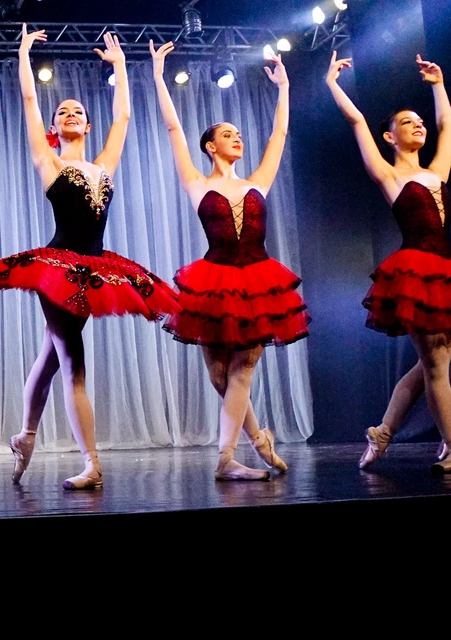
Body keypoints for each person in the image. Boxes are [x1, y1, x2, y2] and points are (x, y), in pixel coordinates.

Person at [0, 26, 180, 490]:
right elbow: (27, 102)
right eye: (63, 111)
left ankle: (24, 436)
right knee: (72, 358)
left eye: (78, 110)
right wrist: (21, 52)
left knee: (49, 359)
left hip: (98, 269)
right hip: (58, 269)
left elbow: (122, 119)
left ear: (88, 123)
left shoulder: (104, 165)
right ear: (55, 128)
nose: (71, 114)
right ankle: (92, 463)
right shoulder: (50, 162)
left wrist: (120, 68)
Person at [149, 41, 309, 481]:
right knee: (221, 375)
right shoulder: (197, 183)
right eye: (227, 134)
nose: (237, 137)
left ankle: (225, 461)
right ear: (210, 146)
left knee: (244, 366)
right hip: (212, 282)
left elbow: (278, 136)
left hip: (258, 282)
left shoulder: (259, 180)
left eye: (239, 133)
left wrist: (284, 90)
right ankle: (259, 441)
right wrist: (160, 78)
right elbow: (173, 131)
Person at [326, 52, 451, 474]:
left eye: (420, 121)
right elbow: (358, 121)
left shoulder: (438, 170)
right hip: (415, 273)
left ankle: (383, 432)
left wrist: (437, 85)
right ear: (390, 137)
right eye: (407, 122)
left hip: (448, 268)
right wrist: (332, 84)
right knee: (436, 362)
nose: (418, 125)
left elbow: (446, 128)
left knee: (433, 362)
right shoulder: (388, 175)